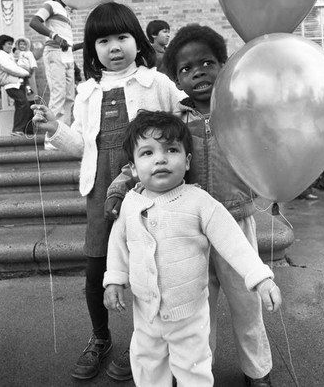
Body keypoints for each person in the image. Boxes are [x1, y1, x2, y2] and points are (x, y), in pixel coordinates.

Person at [106, 24, 277, 387]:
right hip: (187, 227)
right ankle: (198, 372)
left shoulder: (238, 111)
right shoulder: (176, 122)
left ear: (225, 65)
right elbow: (140, 161)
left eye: (207, 62)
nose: (197, 71)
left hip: (236, 220)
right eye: (185, 69)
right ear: (177, 80)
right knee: (200, 309)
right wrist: (121, 187)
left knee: (247, 304)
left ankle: (257, 370)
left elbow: (268, 147)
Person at [31, 1, 185, 382]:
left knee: (152, 268)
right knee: (96, 268)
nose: (114, 47)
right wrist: (54, 128)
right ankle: (101, 338)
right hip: (101, 192)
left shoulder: (157, 83)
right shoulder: (86, 92)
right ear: (92, 48)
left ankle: (146, 342)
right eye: (103, 40)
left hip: (150, 193)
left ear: (137, 41)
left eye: (122, 37)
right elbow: (82, 144)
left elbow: (185, 123)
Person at [29, 0, 75, 138]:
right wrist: (54, 36)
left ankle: (64, 137)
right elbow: (34, 22)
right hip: (54, 52)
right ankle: (52, 138)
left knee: (69, 97)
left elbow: (68, 44)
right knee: (58, 95)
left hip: (67, 55)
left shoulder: (66, 13)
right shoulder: (51, 5)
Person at [0, 34, 32, 136]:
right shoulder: (1, 55)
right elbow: (11, 68)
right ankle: (17, 129)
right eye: (8, 44)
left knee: (21, 105)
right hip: (11, 84)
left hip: (15, 84)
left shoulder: (7, 56)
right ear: (2, 45)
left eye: (11, 44)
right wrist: (26, 73)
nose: (10, 46)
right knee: (23, 104)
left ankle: (19, 130)